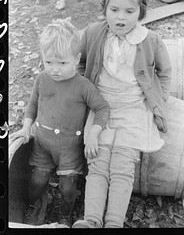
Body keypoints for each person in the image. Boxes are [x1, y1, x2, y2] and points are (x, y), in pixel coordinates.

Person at [72, 0, 172, 228]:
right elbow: (82, 64)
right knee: (97, 161)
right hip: (101, 106)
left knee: (122, 167)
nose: (121, 17)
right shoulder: (94, 33)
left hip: (134, 109)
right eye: (114, 10)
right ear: (104, 9)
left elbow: (164, 72)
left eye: (130, 11)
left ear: (141, 12)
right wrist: (85, 93)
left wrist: (159, 101)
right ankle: (91, 220)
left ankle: (114, 222)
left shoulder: (150, 40)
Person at [9, 18, 109, 227]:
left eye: (62, 63)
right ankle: (35, 204)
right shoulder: (42, 79)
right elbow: (32, 106)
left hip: (69, 148)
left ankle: (66, 213)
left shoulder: (83, 86)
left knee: (68, 188)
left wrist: (94, 133)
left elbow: (102, 108)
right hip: (43, 144)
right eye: (49, 62)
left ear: (76, 59)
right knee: (36, 182)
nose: (55, 69)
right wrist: (27, 127)